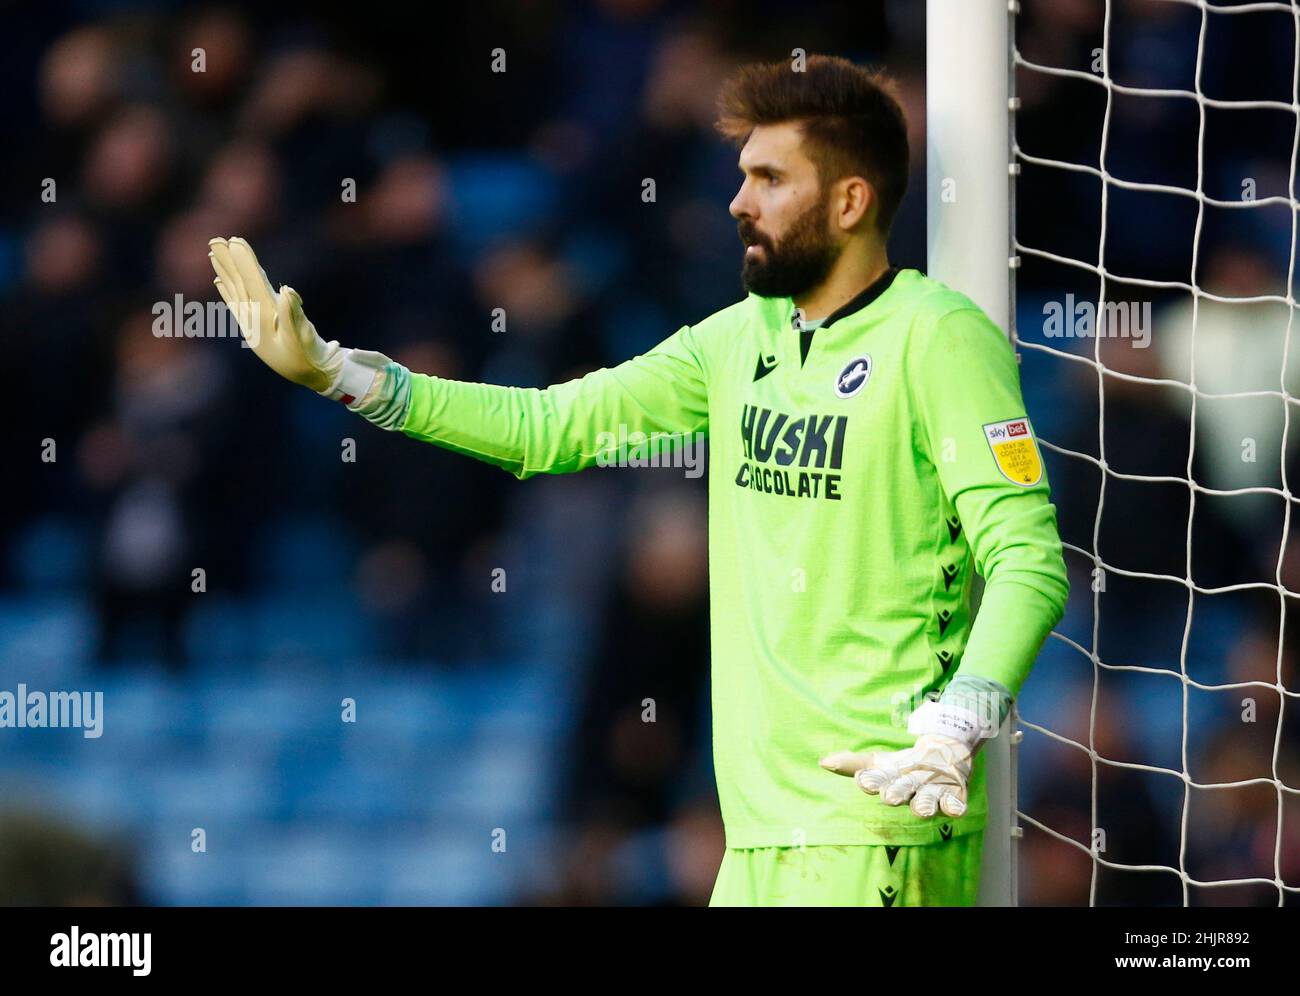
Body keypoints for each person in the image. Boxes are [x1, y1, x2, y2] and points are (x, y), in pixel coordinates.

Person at [207, 53, 1068, 907]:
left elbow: (1029, 560)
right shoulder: (735, 344)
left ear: (850, 200)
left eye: (770, 178)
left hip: (877, 822)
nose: (739, 202)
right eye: (741, 176)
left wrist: (958, 723)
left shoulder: (938, 338)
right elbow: (549, 428)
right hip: (759, 836)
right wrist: (345, 376)